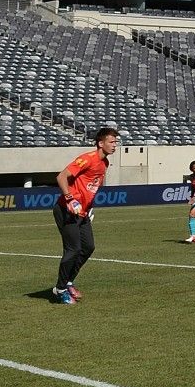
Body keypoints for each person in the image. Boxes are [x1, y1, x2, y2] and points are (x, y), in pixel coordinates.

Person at [51, 126, 117, 305]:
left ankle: (68, 281)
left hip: (83, 212)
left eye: (116, 142)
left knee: (88, 247)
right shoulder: (87, 159)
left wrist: (89, 208)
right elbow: (61, 177)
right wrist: (70, 199)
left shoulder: (104, 163)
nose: (114, 145)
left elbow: (90, 189)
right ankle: (60, 289)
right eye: (111, 142)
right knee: (73, 249)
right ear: (100, 143)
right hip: (66, 209)